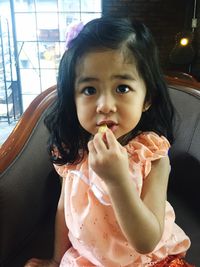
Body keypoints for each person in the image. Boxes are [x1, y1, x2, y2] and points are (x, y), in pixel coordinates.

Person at [24, 17, 194, 267]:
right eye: (90, 90)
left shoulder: (151, 155)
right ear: (73, 100)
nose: (104, 106)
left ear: (147, 99)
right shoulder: (73, 151)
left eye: (122, 88)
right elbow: (64, 210)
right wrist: (55, 259)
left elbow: (146, 241)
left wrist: (118, 180)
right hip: (90, 259)